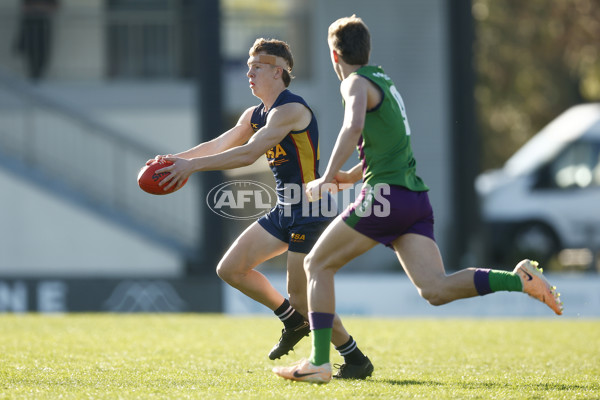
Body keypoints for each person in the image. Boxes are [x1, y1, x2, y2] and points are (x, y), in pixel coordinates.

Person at [273, 15, 564, 384]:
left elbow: (353, 127)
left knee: (316, 265)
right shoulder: (384, 81)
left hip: (387, 197)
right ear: (367, 49)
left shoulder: (354, 83)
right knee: (435, 288)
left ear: (335, 55)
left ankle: (319, 361)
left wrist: (327, 176)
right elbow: (381, 152)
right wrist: (344, 178)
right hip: (414, 199)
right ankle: (519, 279)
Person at [150, 38, 373, 379]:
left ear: (278, 72)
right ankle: (291, 321)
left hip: (311, 211)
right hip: (285, 209)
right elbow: (222, 143)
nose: (249, 73)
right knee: (231, 269)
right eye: (248, 67)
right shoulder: (254, 114)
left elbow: (247, 154)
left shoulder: (291, 110)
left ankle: (354, 358)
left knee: (301, 296)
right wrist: (177, 160)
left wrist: (192, 168)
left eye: (257, 67)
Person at [14, 0, 59, 81]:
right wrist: (40, 8)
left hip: (43, 25)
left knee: (42, 53)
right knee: (30, 52)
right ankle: (33, 76)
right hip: (30, 25)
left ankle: (37, 77)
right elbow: (25, 7)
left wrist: (36, 8)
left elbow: (54, 7)